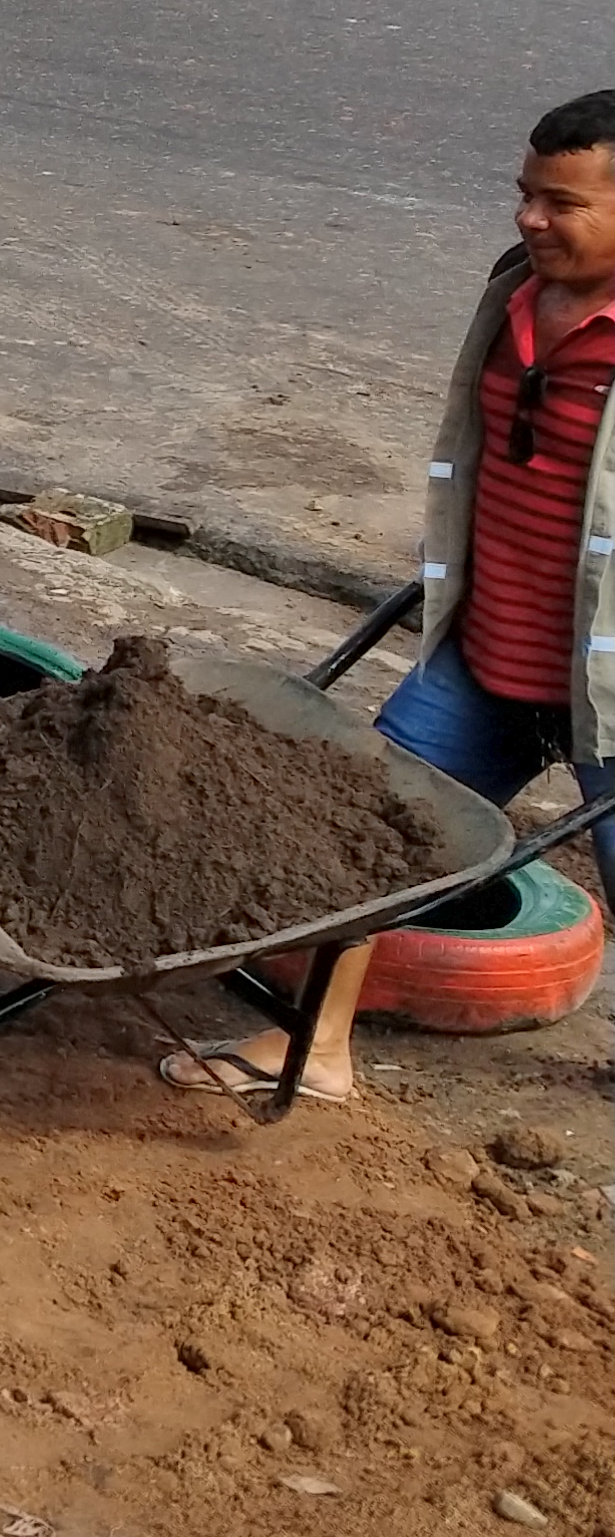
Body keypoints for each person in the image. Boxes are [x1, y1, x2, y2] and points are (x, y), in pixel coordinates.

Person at [164, 89, 615, 1106]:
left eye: (562, 203)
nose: (529, 220)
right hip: (489, 656)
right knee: (363, 842)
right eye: (524, 195)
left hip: (611, 692)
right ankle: (316, 1052)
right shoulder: (514, 292)